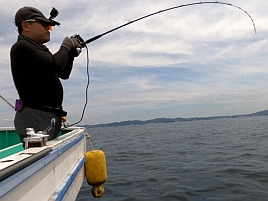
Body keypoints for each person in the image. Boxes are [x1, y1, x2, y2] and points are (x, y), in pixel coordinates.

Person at [10, 6, 82, 143]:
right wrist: (67, 45)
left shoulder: (38, 50)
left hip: (47, 116)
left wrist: (71, 55)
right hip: (36, 117)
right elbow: (56, 64)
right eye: (44, 25)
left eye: (50, 27)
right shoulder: (21, 47)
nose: (48, 29)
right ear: (26, 25)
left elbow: (63, 73)